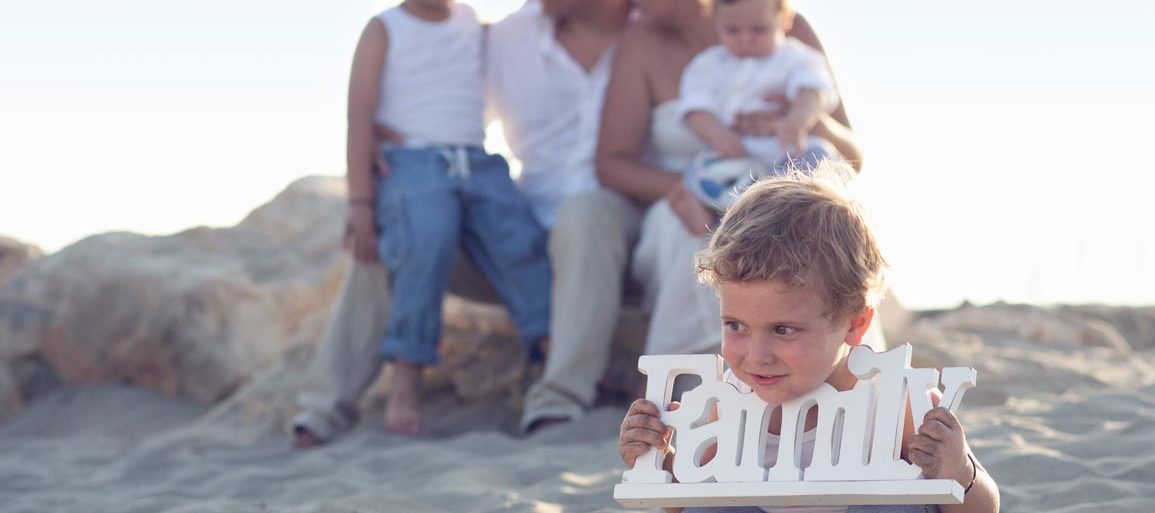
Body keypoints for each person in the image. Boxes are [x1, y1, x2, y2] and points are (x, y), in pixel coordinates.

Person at [294, 0, 630, 446]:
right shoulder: (415, 30)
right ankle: (362, 394)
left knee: (534, 240)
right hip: (446, 178)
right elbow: (380, 108)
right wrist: (362, 194)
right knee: (411, 241)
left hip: (515, 186)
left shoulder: (477, 25)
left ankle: (561, 368)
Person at [616, 169, 1000, 513]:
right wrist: (660, 465)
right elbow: (700, 508)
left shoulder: (895, 402)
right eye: (736, 326)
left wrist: (958, 471)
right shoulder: (731, 400)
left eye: (783, 329)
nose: (756, 354)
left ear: (855, 324)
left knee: (891, 506)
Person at [585, 0, 869, 364]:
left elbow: (848, 154)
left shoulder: (792, 43)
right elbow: (614, 161)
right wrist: (697, 173)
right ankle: (684, 376)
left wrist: (801, 121)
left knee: (816, 217)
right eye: (734, 31)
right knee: (698, 228)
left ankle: (819, 365)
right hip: (709, 182)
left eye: (758, 31)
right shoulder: (685, 59)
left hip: (785, 176)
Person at [677, 0, 836, 209]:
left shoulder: (796, 57)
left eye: (759, 30)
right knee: (698, 172)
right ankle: (727, 217)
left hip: (786, 153)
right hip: (735, 155)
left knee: (823, 156)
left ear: (784, 21)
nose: (745, 39)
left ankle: (791, 213)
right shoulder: (708, 64)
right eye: (732, 31)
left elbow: (813, 91)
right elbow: (695, 107)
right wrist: (718, 135)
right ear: (716, 23)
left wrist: (796, 121)